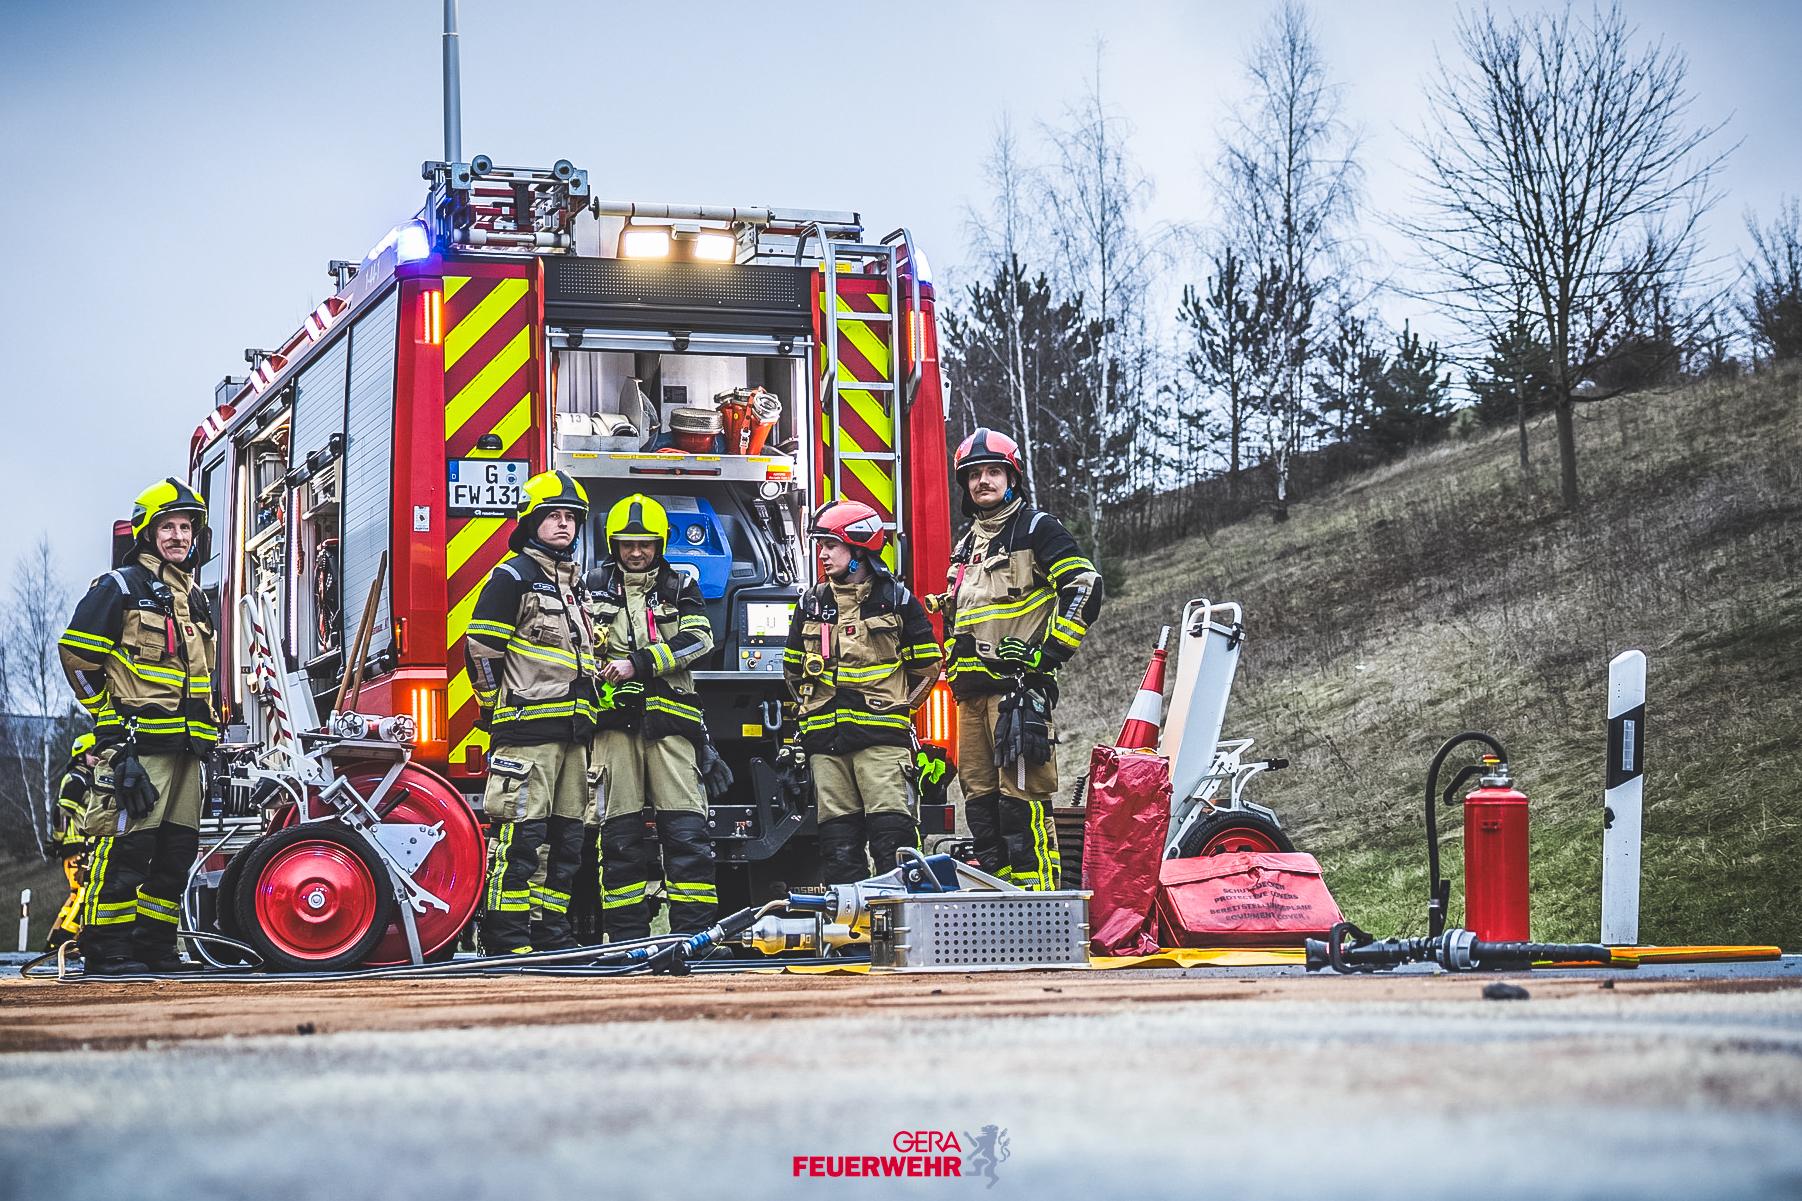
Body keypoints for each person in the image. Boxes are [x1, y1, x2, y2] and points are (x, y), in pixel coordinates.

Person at [58, 478, 218, 974]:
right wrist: (108, 723)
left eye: (186, 526)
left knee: (175, 854)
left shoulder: (195, 599)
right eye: (167, 526)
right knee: (127, 849)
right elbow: (78, 658)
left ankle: (154, 948)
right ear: (148, 533)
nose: (178, 535)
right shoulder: (119, 586)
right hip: (136, 748)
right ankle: (108, 951)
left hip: (187, 750)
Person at [942, 429, 1103, 890]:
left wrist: (1045, 655)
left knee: (1021, 801)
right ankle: (999, 895)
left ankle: (1039, 903)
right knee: (980, 801)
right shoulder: (965, 545)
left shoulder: (1037, 529)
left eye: (993, 472)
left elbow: (1085, 588)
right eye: (974, 475)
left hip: (1016, 692)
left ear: (1012, 478)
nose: (982, 482)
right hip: (970, 695)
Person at [466, 470, 600, 955]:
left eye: (571, 518)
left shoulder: (575, 587)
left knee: (565, 846)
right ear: (532, 522)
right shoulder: (512, 577)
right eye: (553, 517)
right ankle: (506, 940)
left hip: (573, 735)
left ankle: (550, 938)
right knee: (520, 843)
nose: (563, 525)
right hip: (527, 735)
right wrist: (493, 709)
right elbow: (481, 651)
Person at [784, 501, 940, 883]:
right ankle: (850, 939)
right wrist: (810, 715)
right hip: (826, 747)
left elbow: (928, 666)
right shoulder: (811, 604)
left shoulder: (897, 601)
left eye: (830, 545)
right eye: (820, 545)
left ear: (858, 551)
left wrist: (896, 710)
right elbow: (791, 670)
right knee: (839, 851)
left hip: (882, 747)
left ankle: (898, 937)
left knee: (894, 846)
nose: (822, 554)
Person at [586, 494, 719, 940]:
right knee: (618, 839)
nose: (637, 552)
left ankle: (695, 937)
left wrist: (637, 664)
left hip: (671, 730)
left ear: (659, 544)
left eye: (645, 544)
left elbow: (700, 641)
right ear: (613, 545)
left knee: (687, 835)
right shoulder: (590, 586)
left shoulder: (680, 586)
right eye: (627, 544)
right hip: (613, 731)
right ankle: (626, 940)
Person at [44, 731, 99, 953]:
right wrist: (58, 841)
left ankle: (54, 939)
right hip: (78, 849)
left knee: (76, 894)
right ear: (80, 756)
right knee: (84, 894)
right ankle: (65, 941)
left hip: (80, 847)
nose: (97, 758)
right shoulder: (77, 780)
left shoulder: (84, 778)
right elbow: (62, 813)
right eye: (93, 753)